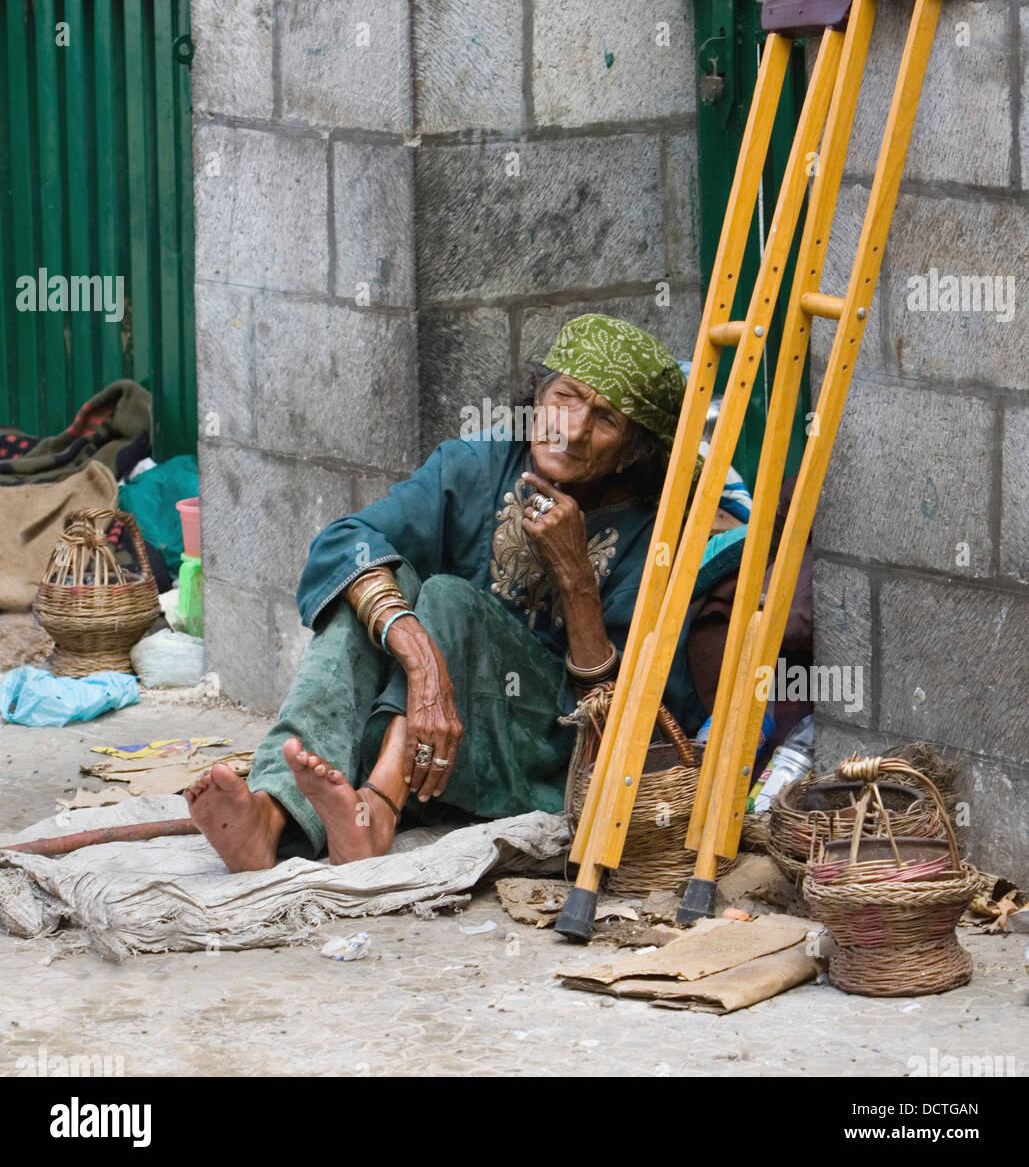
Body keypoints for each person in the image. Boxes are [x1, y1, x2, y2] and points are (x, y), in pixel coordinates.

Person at [185, 314, 748, 872]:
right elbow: (344, 542)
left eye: (604, 420)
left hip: (542, 753)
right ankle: (272, 812)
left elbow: (629, 718)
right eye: (566, 397)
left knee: (448, 598)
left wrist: (577, 578)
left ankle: (377, 808)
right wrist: (424, 661)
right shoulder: (473, 467)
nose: (572, 430)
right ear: (536, 395)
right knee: (375, 583)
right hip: (431, 721)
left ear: (631, 451)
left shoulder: (658, 532)